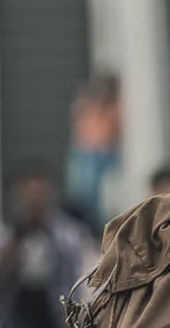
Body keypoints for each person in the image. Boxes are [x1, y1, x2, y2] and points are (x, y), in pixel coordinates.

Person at [0, 162, 96, 328]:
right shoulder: (4, 236)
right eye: (28, 196)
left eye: (39, 195)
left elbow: (86, 276)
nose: (34, 202)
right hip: (14, 317)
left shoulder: (69, 233)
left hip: (56, 316)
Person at [64, 72, 124, 239]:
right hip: (84, 152)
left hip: (103, 154)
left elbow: (115, 129)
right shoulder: (86, 105)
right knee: (79, 194)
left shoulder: (113, 107)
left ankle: (96, 231)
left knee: (97, 200)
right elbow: (77, 119)